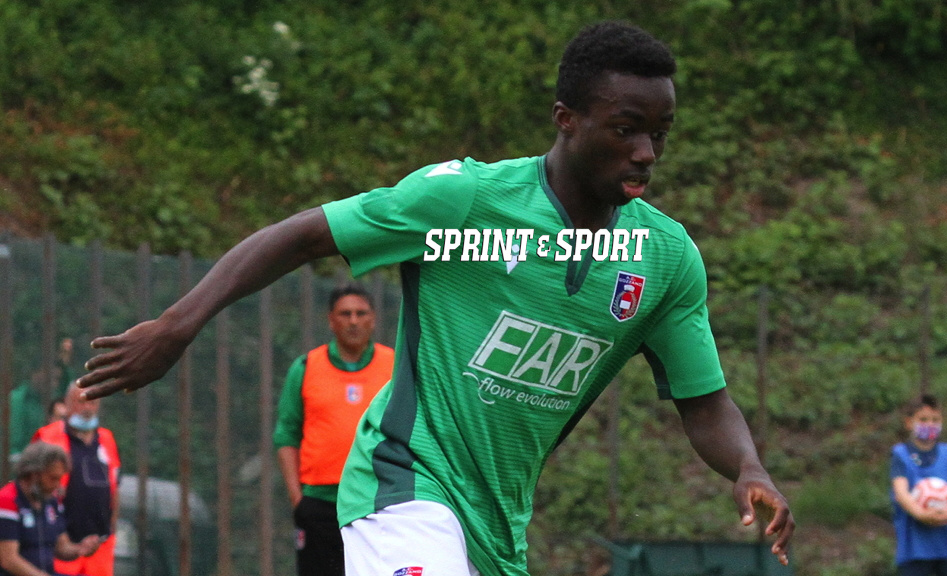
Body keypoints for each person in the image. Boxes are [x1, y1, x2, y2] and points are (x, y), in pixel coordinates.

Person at [74, 20, 795, 576]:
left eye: (660, 134)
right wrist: (177, 324)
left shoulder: (663, 259)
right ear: (566, 118)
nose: (647, 152)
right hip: (402, 484)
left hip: (498, 523)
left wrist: (749, 468)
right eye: (626, 129)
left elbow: (704, 402)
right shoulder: (465, 200)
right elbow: (301, 236)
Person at [274, 285, 394, 576]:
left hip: (378, 501)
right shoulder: (306, 367)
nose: (353, 321)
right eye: (345, 314)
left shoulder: (395, 365)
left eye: (360, 313)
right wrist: (297, 499)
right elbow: (287, 435)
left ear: (373, 319)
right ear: (331, 320)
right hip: (319, 503)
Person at [31, 385, 120, 576]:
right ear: (67, 404)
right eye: (82, 401)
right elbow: (31, 488)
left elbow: (115, 484)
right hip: (59, 546)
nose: (87, 407)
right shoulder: (47, 436)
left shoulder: (107, 439)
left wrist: (112, 526)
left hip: (99, 550)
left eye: (93, 401)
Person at [890, 394, 947, 576]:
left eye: (935, 419)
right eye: (923, 419)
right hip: (915, 550)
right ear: (909, 423)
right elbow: (901, 492)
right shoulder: (900, 454)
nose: (930, 424)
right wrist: (921, 514)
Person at [0, 442, 102, 576]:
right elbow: (8, 560)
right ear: (33, 474)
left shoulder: (51, 501)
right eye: (53, 478)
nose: (58, 485)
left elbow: (62, 548)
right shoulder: (7, 500)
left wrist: (80, 549)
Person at [6, 340, 75, 459]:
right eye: (50, 378)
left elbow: (70, 389)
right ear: (34, 373)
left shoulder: (56, 398)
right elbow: (13, 445)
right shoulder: (17, 400)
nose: (54, 384)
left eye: (57, 379)